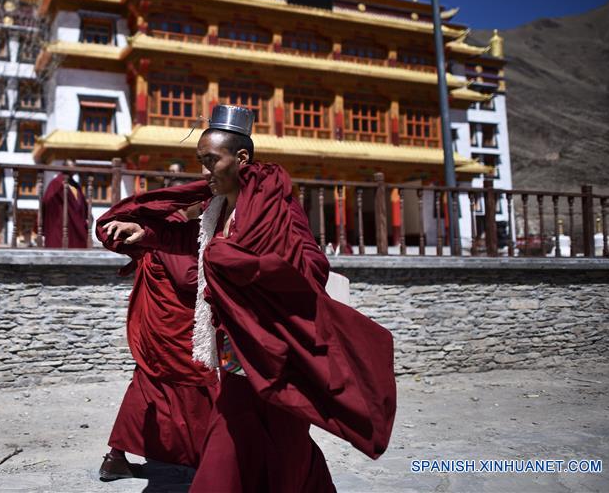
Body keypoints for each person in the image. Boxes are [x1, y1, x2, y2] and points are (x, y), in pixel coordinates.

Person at [99, 105, 397, 492]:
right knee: (240, 435)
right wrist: (147, 234)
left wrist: (242, 266)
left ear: (241, 158)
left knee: (281, 438)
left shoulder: (273, 204)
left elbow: (311, 265)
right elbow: (198, 245)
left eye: (211, 161)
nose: (204, 172)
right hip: (234, 346)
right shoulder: (216, 207)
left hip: (274, 345)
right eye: (200, 162)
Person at [97, 202, 218, 480]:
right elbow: (187, 277)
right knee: (199, 385)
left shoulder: (163, 227)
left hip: (160, 323)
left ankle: (116, 457)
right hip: (174, 326)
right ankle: (210, 457)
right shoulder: (173, 228)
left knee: (147, 386)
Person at [41, 159, 89, 248]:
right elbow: (47, 202)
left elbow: (81, 205)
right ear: (64, 168)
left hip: (75, 224)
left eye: (75, 167)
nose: (74, 170)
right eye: (71, 167)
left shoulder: (75, 185)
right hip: (59, 224)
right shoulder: (56, 183)